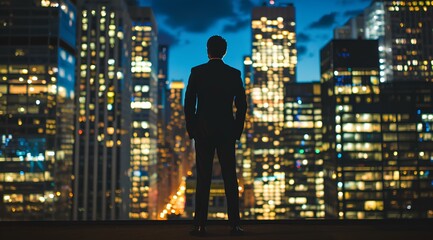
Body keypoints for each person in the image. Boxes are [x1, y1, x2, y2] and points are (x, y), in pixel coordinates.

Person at [184, 35, 247, 236]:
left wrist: (192, 129)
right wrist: (237, 130)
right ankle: (234, 224)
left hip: (203, 132)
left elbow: (189, 103)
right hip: (227, 131)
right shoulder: (234, 74)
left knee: (203, 178)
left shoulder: (197, 72)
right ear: (224, 51)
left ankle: (200, 225)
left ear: (207, 50)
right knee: (230, 177)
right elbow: (242, 105)